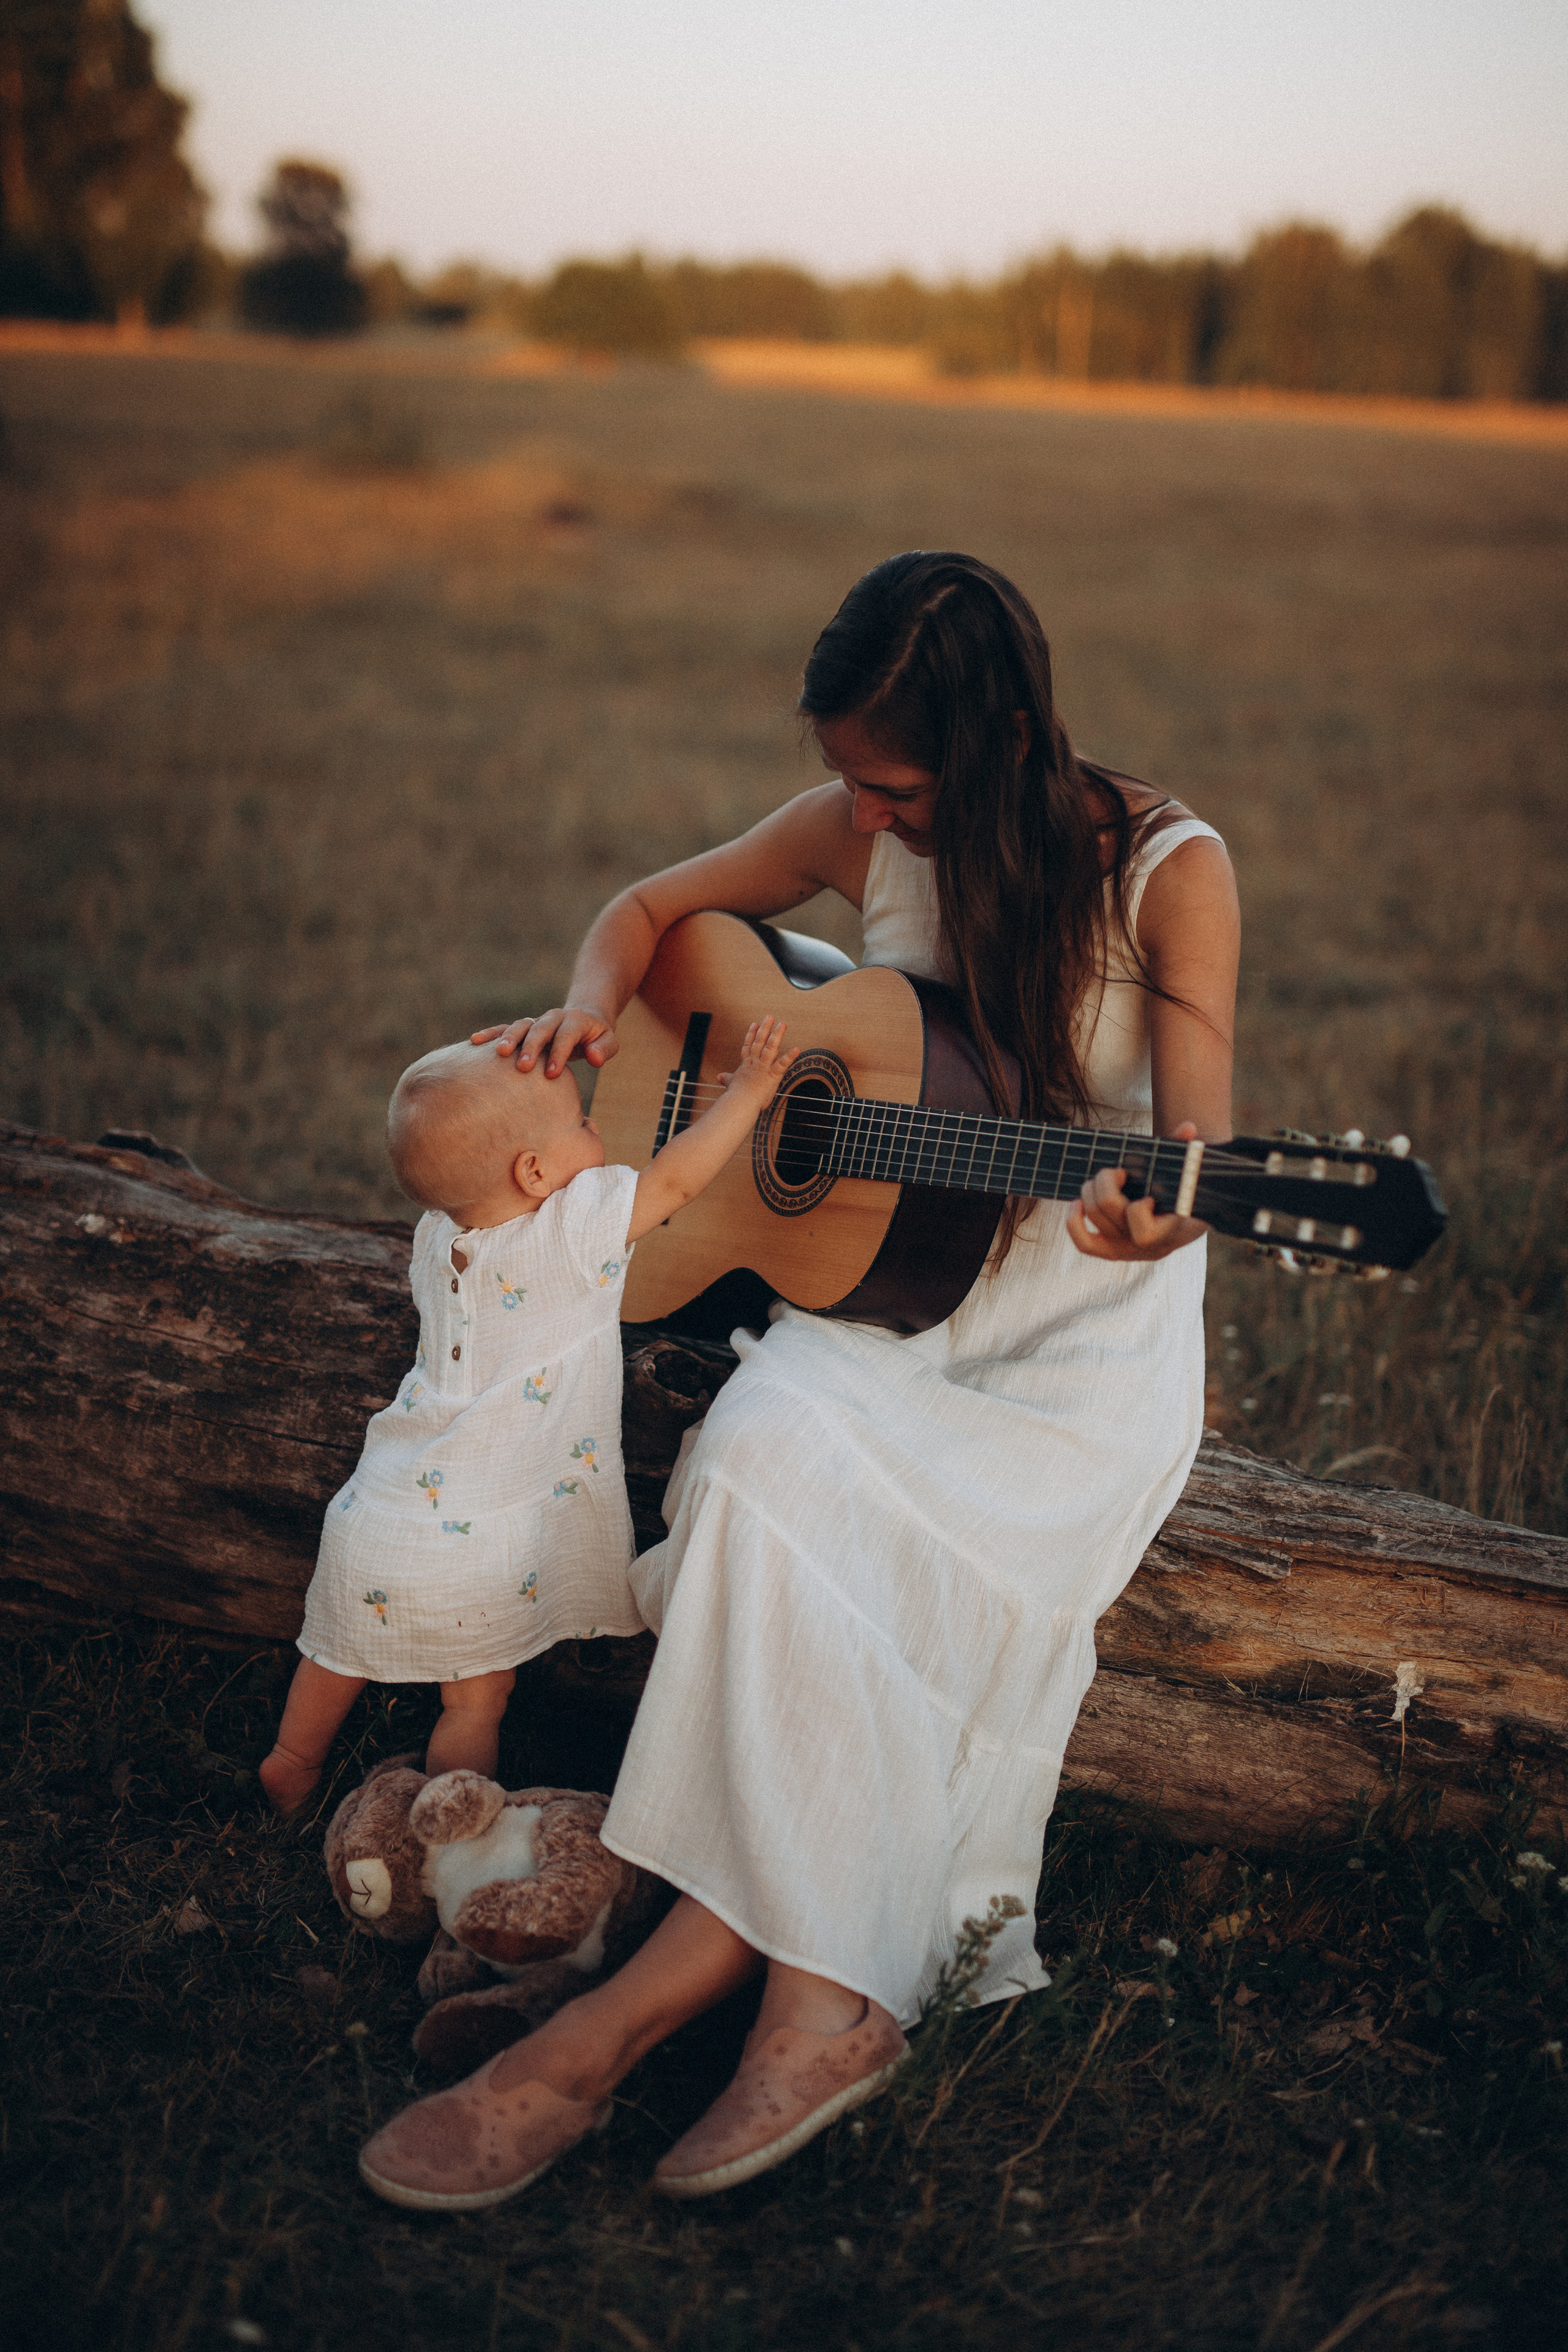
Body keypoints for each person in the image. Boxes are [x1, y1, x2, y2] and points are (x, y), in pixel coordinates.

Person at [356, 550, 1239, 2213]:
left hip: (1072, 1343)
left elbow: (1190, 1153)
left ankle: (638, 2015)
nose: (866, 818)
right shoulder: (850, 829)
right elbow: (643, 917)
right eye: (848, 778)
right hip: (898, 1293)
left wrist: (1151, 1215)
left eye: (894, 786)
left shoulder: (1173, 872)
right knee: (758, 1466)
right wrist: (586, 1016)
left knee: (883, 1561)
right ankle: (806, 1994)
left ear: (996, 745)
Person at [260, 1018, 797, 1815]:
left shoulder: (438, 1234)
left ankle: (291, 1759)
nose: (597, 1129)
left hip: (382, 1511)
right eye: (583, 1121)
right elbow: (676, 1184)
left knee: (334, 1650)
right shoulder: (573, 1229)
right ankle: (451, 1811)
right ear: (538, 1170)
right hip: (481, 1529)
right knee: (475, 1701)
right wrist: (750, 1093)